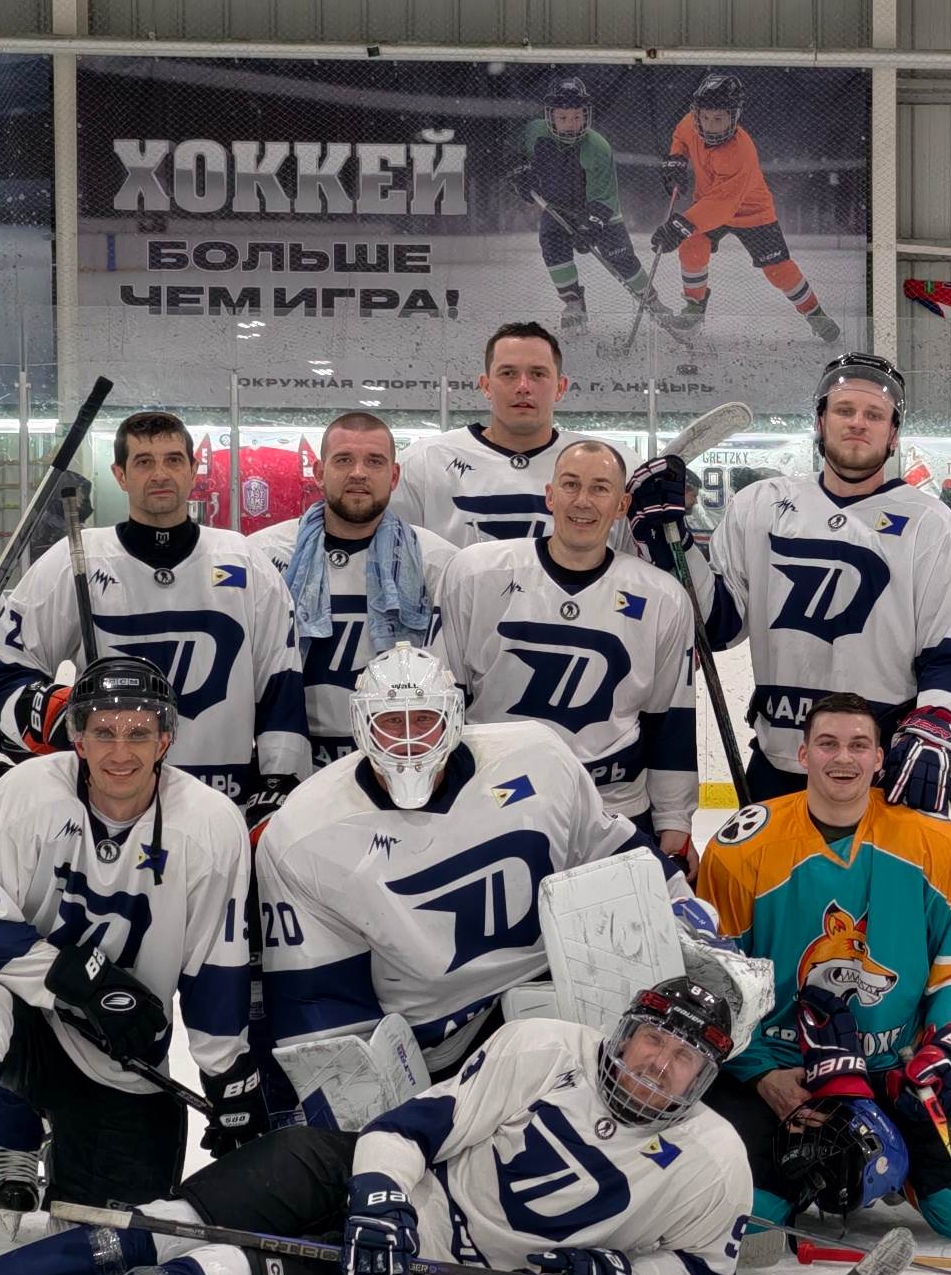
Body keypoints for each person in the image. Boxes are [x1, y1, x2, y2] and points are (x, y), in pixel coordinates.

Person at [0, 973, 756, 1275]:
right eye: (654, 1038)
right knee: (163, 1222)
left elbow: (706, 1267)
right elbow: (409, 1128)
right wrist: (379, 1199)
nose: (658, 1065)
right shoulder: (546, 1048)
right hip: (374, 1176)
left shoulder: (715, 1163)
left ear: (705, 1078)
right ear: (625, 1029)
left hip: (440, 1273)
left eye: (684, 1059)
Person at [0, 654, 260, 1275]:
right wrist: (86, 982)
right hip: (21, 1024)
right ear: (78, 736)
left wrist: (227, 1077)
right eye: (104, 731)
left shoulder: (210, 823)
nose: (120, 751)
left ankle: (61, 1150)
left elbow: (215, 964)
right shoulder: (24, 793)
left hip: (119, 1057)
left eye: (139, 733)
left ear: (166, 739)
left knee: (98, 1257)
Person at [256, 644, 651, 1098]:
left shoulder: (539, 756)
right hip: (438, 1046)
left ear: (453, 718)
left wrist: (678, 908)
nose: (409, 739)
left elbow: (614, 856)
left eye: (424, 718)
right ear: (362, 725)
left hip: (558, 996)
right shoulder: (304, 830)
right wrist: (368, 1100)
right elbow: (318, 994)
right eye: (391, 721)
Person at [690, 693, 951, 1241]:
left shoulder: (933, 838)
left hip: (898, 1065)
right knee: (753, 1220)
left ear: (880, 758)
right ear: (802, 755)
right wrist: (762, 1076)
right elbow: (716, 984)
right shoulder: (741, 848)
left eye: (859, 745)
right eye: (828, 744)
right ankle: (809, 1178)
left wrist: (939, 1047)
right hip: (789, 1069)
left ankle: (895, 1160)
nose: (844, 758)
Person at [627, 351, 951, 811]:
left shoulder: (929, 523)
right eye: (844, 410)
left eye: (874, 415)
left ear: (893, 434)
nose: (857, 423)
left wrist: (933, 730)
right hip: (778, 762)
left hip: (879, 769)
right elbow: (717, 625)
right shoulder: (761, 505)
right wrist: (672, 542)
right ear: (820, 422)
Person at [0, 408, 309, 815]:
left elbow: (280, 682)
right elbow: (6, 665)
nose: (160, 474)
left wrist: (278, 783)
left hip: (224, 804)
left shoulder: (244, 560)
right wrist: (54, 716)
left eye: (173, 460)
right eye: (144, 462)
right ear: (120, 475)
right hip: (108, 802)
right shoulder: (76, 559)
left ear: (193, 470)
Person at [439, 436, 702, 859]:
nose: (583, 501)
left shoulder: (661, 597)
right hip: (494, 804)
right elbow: (445, 701)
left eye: (600, 488)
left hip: (612, 810)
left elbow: (669, 718)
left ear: (621, 505)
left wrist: (675, 819)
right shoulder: (475, 574)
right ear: (550, 495)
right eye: (571, 484)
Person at [252, 409, 455, 764]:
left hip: (401, 758)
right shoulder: (262, 556)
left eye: (374, 461)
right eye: (344, 459)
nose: (358, 473)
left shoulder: (437, 561)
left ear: (394, 476)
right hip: (292, 759)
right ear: (319, 472)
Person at [655, 69, 840, 353]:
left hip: (751, 213)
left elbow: (723, 205)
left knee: (778, 270)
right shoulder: (691, 123)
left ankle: (815, 313)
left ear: (734, 117)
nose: (710, 125)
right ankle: (694, 307)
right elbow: (681, 137)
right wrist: (677, 159)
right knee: (692, 245)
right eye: (705, 117)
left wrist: (681, 224)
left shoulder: (740, 151)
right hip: (708, 205)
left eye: (719, 119)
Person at [394, 321, 579, 546]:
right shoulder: (423, 461)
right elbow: (391, 552)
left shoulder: (606, 465)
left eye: (538, 374)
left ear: (560, 387)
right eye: (508, 373)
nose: (523, 386)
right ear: (486, 386)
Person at [511, 70, 662, 337]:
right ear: (550, 117)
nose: (571, 124)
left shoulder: (597, 147)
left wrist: (591, 226)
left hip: (600, 211)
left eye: (577, 117)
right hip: (556, 208)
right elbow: (513, 148)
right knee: (553, 248)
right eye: (563, 118)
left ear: (586, 115)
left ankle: (653, 302)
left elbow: (603, 196)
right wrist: (520, 171)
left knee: (620, 258)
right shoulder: (534, 132)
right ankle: (573, 304)